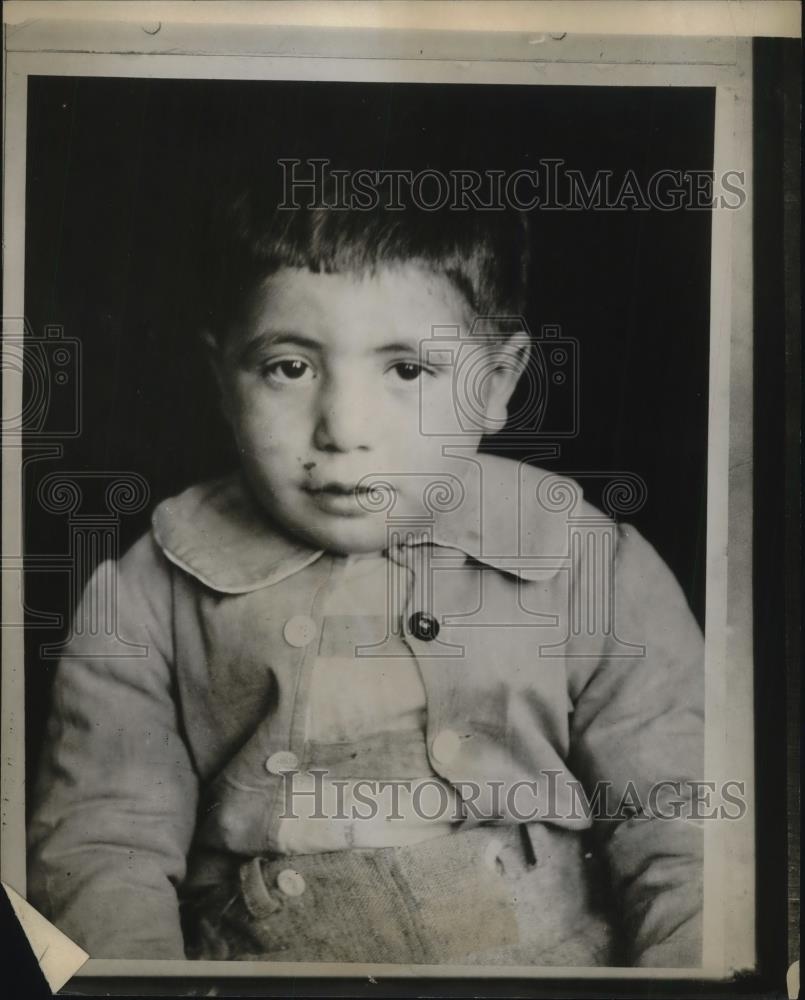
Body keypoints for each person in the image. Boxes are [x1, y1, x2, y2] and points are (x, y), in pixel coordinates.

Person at [28, 184, 704, 967]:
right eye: (287, 367)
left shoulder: (592, 563)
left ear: (495, 383)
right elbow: (102, 848)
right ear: (221, 378)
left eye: (408, 370)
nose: (344, 429)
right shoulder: (145, 590)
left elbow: (681, 825)